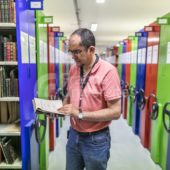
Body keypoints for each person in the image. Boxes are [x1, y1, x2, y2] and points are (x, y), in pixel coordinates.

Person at [58, 28, 121, 170]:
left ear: (91, 50)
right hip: (74, 136)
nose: (73, 56)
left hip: (96, 140)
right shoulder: (74, 68)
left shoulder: (109, 72)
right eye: (71, 52)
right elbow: (70, 93)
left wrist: (79, 113)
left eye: (77, 51)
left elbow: (116, 112)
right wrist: (61, 107)